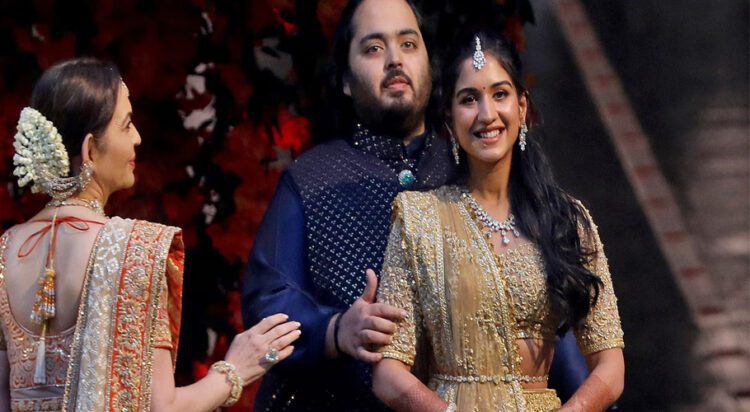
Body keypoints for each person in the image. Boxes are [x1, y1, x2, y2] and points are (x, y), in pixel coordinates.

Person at [243, 1, 590, 410]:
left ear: (429, 64)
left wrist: (584, 398)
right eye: (373, 48)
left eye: (408, 44)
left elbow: (541, 311)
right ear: (345, 80)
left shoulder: (471, 173)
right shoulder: (312, 180)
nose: (394, 60)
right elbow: (268, 305)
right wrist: (336, 330)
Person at [0, 58, 300, 411]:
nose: (138, 138)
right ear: (90, 150)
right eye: (126, 125)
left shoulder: (5, 251)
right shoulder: (134, 251)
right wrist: (234, 370)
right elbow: (162, 407)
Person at [372, 31, 625, 411]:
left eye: (500, 94)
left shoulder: (566, 220)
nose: (487, 114)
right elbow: (388, 372)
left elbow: (610, 365)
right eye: (469, 99)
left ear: (522, 108)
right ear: (449, 120)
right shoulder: (418, 221)